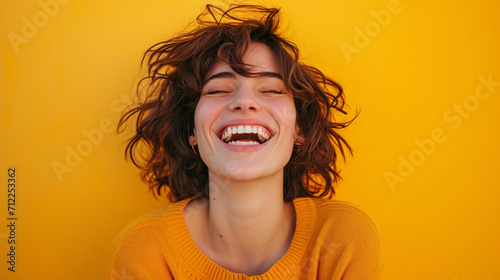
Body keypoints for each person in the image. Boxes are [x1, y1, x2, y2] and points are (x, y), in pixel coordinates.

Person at [110, 4, 383, 279]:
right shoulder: (146, 248)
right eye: (217, 89)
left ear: (299, 129)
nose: (244, 102)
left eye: (272, 89)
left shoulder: (343, 237)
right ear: (191, 130)